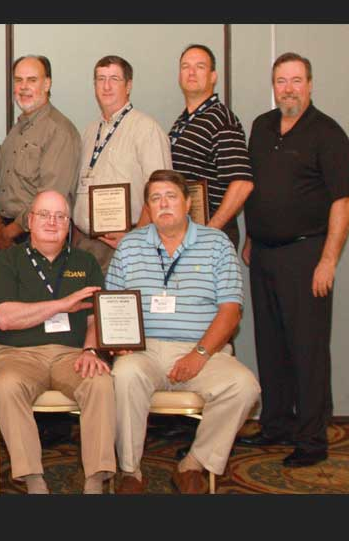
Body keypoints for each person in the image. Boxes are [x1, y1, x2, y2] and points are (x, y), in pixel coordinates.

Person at [107, 169, 260, 494]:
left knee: (245, 386)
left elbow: (231, 312)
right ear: (147, 207)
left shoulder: (216, 243)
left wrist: (200, 354)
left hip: (203, 349)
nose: (163, 204)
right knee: (125, 373)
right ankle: (130, 471)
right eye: (155, 198)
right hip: (143, 351)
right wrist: (118, 343)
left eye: (171, 197)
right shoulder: (130, 246)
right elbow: (112, 304)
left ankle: (193, 464)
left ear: (188, 203)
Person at [238, 52, 349, 468]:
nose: (288, 88)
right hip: (264, 253)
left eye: (296, 80)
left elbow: (342, 201)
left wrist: (328, 260)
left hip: (307, 255)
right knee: (271, 346)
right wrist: (251, 238)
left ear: (310, 84)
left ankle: (312, 439)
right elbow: (259, 190)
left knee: (307, 349)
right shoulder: (262, 127)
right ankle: (277, 424)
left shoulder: (328, 133)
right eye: (281, 81)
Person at [0, 190, 115, 494]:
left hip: (72, 354)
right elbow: (4, 317)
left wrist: (90, 349)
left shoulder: (86, 262)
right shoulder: (8, 260)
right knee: (7, 386)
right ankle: (34, 479)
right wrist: (62, 304)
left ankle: (95, 479)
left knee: (100, 381)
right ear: (30, 221)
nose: (52, 221)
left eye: (60, 216)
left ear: (69, 224)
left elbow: (95, 319)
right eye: (44, 214)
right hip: (18, 355)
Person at [71, 55, 171, 272]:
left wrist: (134, 239)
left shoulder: (147, 129)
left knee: (119, 306)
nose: (106, 86)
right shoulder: (89, 131)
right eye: (100, 79)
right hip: (85, 246)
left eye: (114, 79)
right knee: (86, 307)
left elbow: (161, 193)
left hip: (124, 246)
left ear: (128, 86)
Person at [0, 55, 81, 253]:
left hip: (37, 237)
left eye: (32, 80)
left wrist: (9, 232)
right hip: (5, 235)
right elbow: (1, 187)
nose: (24, 87)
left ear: (47, 84)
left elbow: (51, 196)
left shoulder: (59, 131)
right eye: (18, 80)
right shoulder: (16, 130)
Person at [169, 45, 253, 250]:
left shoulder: (222, 119)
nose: (191, 72)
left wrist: (209, 231)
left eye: (199, 66)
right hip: (187, 233)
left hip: (210, 238)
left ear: (213, 76)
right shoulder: (182, 121)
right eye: (185, 66)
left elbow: (242, 183)